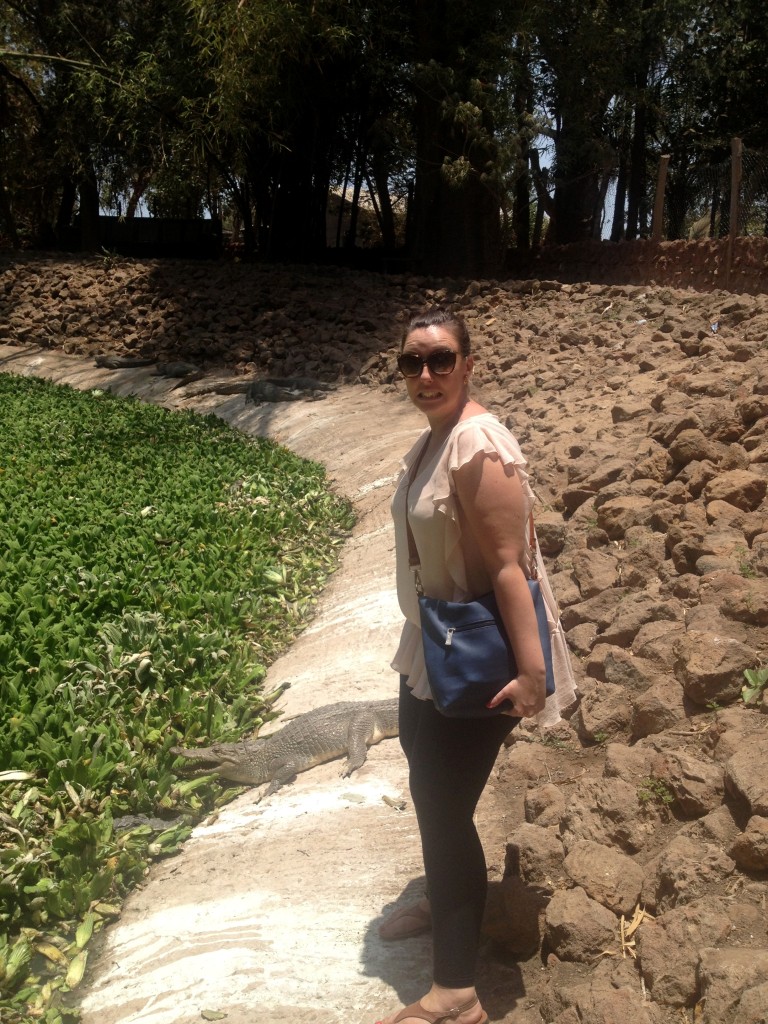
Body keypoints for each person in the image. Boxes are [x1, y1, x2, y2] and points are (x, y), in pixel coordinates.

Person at [375, 308, 576, 1024]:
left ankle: (457, 994)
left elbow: (508, 567)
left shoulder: (478, 442)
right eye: (411, 362)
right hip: (432, 642)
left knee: (442, 805)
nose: (424, 375)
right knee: (427, 783)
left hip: (478, 652)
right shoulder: (436, 437)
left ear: (468, 364)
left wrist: (531, 674)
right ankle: (446, 893)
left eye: (439, 360)